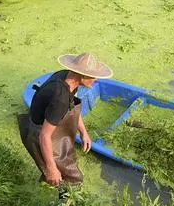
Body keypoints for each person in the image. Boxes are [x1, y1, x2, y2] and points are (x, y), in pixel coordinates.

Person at [17, 53, 113, 188]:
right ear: (82, 75)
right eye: (93, 76)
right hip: (37, 134)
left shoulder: (65, 76)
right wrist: (51, 168)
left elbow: (72, 104)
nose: (95, 79)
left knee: (63, 167)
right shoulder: (60, 98)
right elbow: (44, 135)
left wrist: (83, 132)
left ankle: (48, 182)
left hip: (46, 125)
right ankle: (64, 204)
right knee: (72, 179)